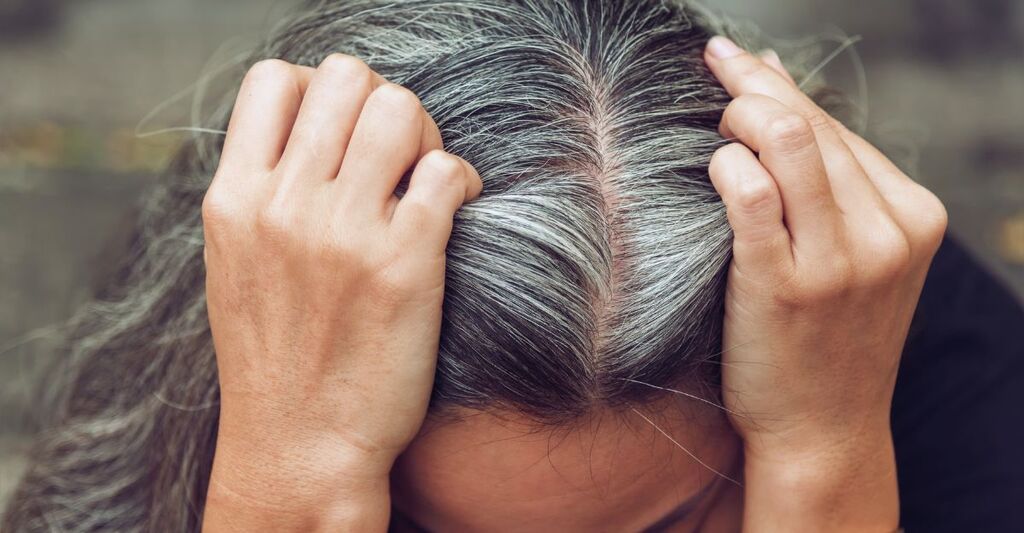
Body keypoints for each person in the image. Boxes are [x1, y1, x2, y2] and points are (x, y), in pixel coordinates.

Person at [3, 1, 1022, 531]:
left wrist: (825, 466)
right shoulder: (239, 352)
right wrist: (288, 481)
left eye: (657, 530)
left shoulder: (942, 394)